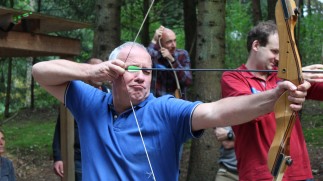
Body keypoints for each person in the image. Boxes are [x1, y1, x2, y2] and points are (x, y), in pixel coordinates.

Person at [32, 41, 310, 180]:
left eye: (147, 70)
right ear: (111, 72)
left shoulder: (165, 109)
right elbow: (40, 71)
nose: (142, 76)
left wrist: (273, 97)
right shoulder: (90, 103)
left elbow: (218, 112)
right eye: (132, 69)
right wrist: (91, 70)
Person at [221, 21, 323, 181]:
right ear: (256, 45)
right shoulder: (233, 78)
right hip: (261, 173)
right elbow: (247, 110)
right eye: (275, 51)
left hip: (298, 171)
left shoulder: (284, 74)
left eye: (282, 53)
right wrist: (283, 85)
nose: (279, 58)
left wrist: (307, 76)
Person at [52, 58, 109, 180]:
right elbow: (60, 129)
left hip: (105, 158)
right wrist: (58, 157)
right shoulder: (73, 95)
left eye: (102, 68)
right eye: (95, 69)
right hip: (80, 158)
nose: (100, 72)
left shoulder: (111, 96)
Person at [147, 25, 192, 99]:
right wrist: (154, 40)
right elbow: (145, 56)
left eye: (174, 40)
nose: (173, 45)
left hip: (177, 102)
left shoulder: (182, 54)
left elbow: (188, 81)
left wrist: (173, 60)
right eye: (169, 42)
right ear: (160, 44)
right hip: (157, 101)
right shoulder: (154, 55)